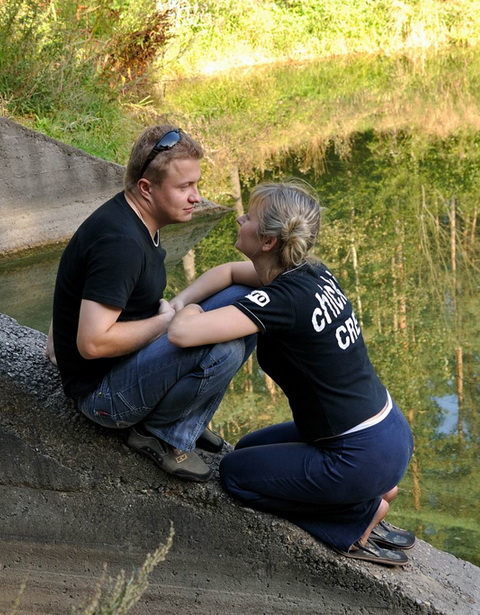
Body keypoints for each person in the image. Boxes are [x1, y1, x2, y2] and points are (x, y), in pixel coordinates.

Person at [166, 181, 416, 566]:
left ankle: (357, 515)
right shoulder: (311, 274)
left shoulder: (282, 300)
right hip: (384, 434)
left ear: (267, 241)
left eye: (249, 217)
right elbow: (230, 273)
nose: (240, 218)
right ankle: (366, 491)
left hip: (358, 454)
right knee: (247, 448)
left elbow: (182, 333)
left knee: (234, 474)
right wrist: (183, 297)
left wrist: (189, 310)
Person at [45, 125, 255, 483]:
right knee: (226, 349)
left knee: (249, 303)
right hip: (104, 397)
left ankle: (187, 417)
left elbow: (81, 285)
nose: (196, 197)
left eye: (196, 184)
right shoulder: (121, 244)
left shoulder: (137, 221)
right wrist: (166, 322)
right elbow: (92, 343)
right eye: (184, 187)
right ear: (147, 188)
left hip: (129, 364)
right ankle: (161, 433)